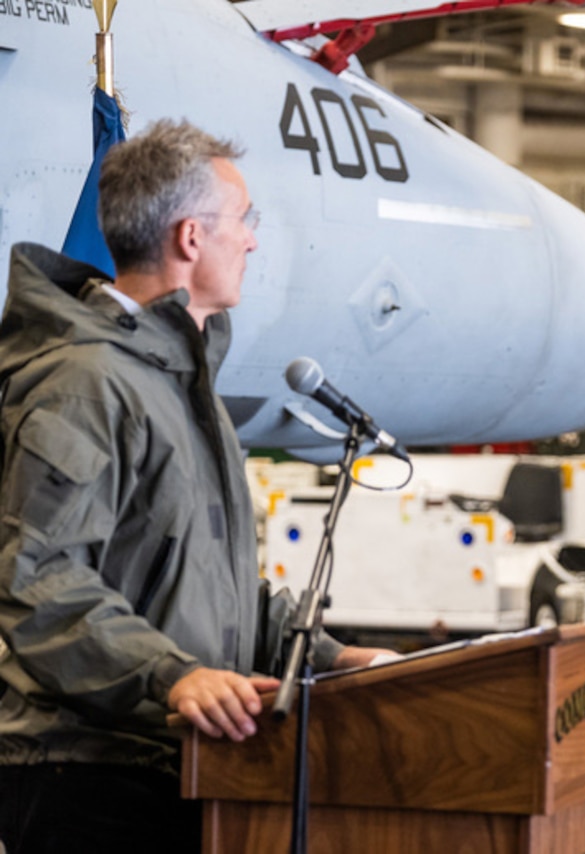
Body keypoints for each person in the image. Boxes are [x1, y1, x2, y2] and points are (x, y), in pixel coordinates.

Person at [0, 120, 388, 853]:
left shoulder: (177, 382)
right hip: (91, 773)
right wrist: (171, 676)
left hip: (178, 760)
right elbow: (37, 580)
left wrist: (332, 658)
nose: (252, 240)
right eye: (243, 221)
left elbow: (205, 582)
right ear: (189, 238)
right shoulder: (88, 384)